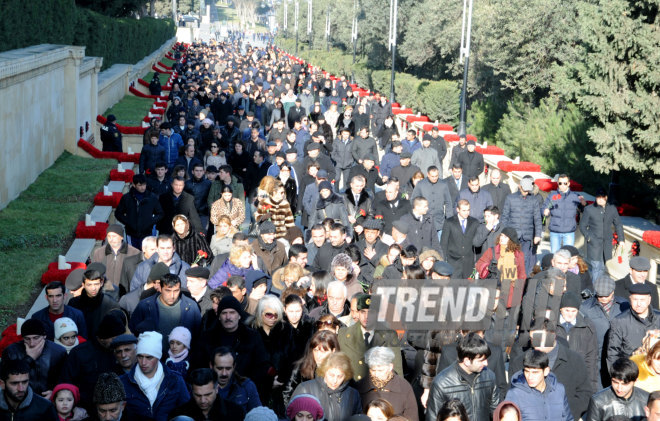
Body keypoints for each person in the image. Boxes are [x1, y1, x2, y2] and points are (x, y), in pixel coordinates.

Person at [425, 333, 499, 421]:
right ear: (467, 361)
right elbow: (433, 417)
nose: (486, 363)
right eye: (481, 360)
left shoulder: (489, 377)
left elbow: (496, 413)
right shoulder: (442, 383)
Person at [120, 331, 190, 421]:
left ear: (158, 357)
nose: (143, 362)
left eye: (149, 357)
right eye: (140, 356)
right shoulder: (123, 382)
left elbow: (186, 413)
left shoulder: (175, 380)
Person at [128, 274, 201, 348]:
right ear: (160, 288)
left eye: (176, 291)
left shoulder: (191, 307)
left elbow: (198, 336)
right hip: (152, 356)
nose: (172, 295)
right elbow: (132, 331)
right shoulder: (145, 306)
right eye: (168, 291)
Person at [2, 319, 67, 399]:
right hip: (20, 398)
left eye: (36, 338)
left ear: (44, 336)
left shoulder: (58, 351)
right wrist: (30, 358)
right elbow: (6, 378)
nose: (32, 343)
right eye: (27, 339)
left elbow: (65, 378)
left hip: (49, 398)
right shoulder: (11, 352)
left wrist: (56, 391)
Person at [292, 352, 362, 421]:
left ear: (346, 376)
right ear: (324, 371)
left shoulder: (353, 395)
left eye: (340, 376)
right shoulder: (305, 389)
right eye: (331, 375)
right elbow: (291, 416)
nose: (335, 381)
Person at [505, 350, 573, 421]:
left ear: (546, 371)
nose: (530, 377)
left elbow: (568, 418)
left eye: (535, 372)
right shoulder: (515, 394)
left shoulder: (559, 390)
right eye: (527, 371)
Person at [357, 347, 418, 421]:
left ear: (390, 367)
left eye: (380, 370)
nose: (376, 374)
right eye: (373, 370)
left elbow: (412, 417)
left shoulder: (403, 386)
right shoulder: (361, 386)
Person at [607, 282, 660, 368]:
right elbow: (613, 354)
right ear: (630, 299)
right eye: (635, 300)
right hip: (630, 374)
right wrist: (619, 377)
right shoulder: (619, 322)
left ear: (649, 300)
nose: (638, 304)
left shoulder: (658, 319)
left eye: (642, 300)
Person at [556, 291, 600, 392]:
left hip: (577, 378)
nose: (570, 314)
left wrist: (591, 386)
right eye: (567, 310)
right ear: (560, 309)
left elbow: (591, 358)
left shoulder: (587, 326)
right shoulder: (552, 324)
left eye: (573, 311)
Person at [283, 330, 340, 407]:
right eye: (315, 350)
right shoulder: (301, 368)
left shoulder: (342, 371)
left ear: (333, 351)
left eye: (323, 351)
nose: (318, 355)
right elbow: (287, 396)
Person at [579, 188, 625, 281]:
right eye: (598, 197)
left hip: (607, 243)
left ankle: (597, 288)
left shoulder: (612, 209)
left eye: (602, 197)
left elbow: (618, 224)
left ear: (606, 197)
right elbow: (582, 226)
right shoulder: (589, 209)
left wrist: (621, 240)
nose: (600, 199)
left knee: (602, 267)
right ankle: (595, 292)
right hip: (594, 243)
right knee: (597, 267)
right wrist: (589, 237)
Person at [501, 176, 543, 275]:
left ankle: (523, 282)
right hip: (513, 235)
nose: (525, 192)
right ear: (519, 186)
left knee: (524, 260)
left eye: (527, 190)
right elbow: (505, 217)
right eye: (524, 189)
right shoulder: (510, 198)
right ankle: (509, 282)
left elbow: (537, 219)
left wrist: (538, 235)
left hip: (527, 236)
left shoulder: (534, 200)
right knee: (511, 259)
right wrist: (505, 234)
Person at [170, 368, 246, 420]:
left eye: (208, 394)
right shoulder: (179, 414)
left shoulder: (236, 412)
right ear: (192, 391)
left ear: (217, 389)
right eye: (198, 395)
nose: (203, 400)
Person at [68, 266, 120, 340]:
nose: (93, 288)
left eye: (96, 284)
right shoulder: (73, 303)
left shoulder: (111, 305)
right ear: (83, 285)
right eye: (89, 285)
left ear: (101, 283)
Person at [115, 174, 163, 251]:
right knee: (133, 255)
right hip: (131, 233)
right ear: (134, 185)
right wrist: (129, 222)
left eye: (144, 185)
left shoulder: (152, 197)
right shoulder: (126, 198)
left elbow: (160, 213)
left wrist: (150, 221)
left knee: (147, 255)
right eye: (140, 185)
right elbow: (118, 213)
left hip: (147, 233)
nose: (143, 187)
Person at [92, 224, 141, 296]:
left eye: (114, 236)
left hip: (126, 294)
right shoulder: (99, 252)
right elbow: (95, 273)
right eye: (109, 236)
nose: (111, 239)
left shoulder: (134, 253)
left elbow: (137, 276)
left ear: (121, 237)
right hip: (105, 293)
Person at [210, 347, 262, 413]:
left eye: (228, 368)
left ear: (234, 367)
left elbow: (258, 415)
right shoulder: (202, 388)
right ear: (211, 366)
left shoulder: (247, 386)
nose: (224, 373)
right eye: (220, 368)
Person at [543, 174, 586, 253]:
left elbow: (584, 210)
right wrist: (545, 212)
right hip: (555, 231)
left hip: (569, 232)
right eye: (560, 183)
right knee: (555, 256)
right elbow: (544, 209)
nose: (562, 185)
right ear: (557, 183)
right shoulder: (552, 196)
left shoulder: (575, 196)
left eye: (565, 183)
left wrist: (584, 204)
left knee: (568, 256)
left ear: (569, 184)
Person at [411, 165, 453, 242]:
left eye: (436, 176)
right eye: (432, 176)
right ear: (428, 175)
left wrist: (449, 219)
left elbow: (448, 202)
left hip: (439, 221)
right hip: (424, 221)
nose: (434, 178)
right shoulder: (420, 184)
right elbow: (413, 200)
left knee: (439, 247)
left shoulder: (443, 184)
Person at [441, 199, 479, 278]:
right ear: (457, 209)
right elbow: (443, 243)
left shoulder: (474, 222)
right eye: (464, 210)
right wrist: (443, 261)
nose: (466, 213)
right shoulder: (449, 222)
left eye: (468, 210)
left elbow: (477, 244)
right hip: (453, 263)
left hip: (468, 264)